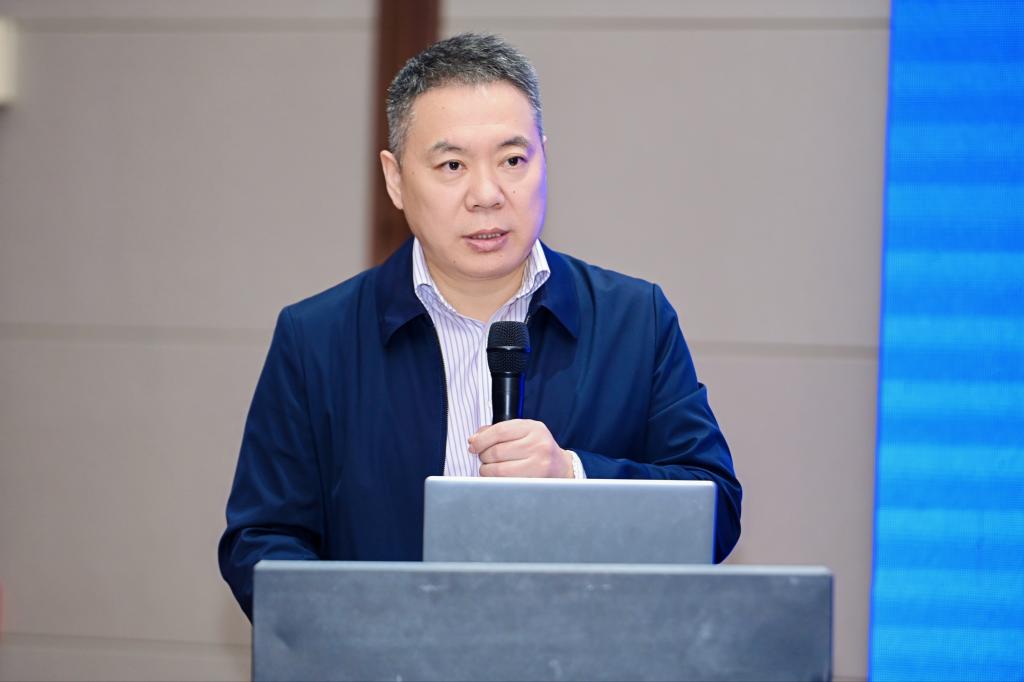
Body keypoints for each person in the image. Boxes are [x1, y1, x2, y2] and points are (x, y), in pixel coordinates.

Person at [219, 33, 741, 620]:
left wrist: (573, 475)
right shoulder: (317, 339)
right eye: (452, 165)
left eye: (513, 160)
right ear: (395, 179)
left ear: (545, 158)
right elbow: (262, 541)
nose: (487, 195)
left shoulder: (635, 320)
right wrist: (369, 634)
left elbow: (715, 512)